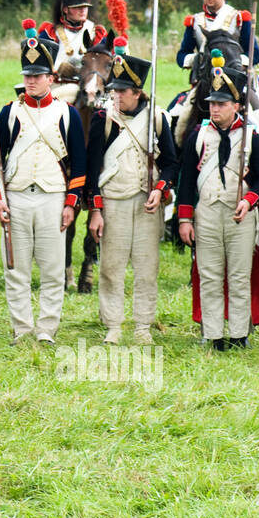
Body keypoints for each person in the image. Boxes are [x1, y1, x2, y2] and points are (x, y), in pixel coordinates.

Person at [0, 24, 86, 343]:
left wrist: (71, 203)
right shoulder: (8, 114)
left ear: (51, 77)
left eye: (38, 74)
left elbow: (79, 165)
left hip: (53, 198)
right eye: (28, 74)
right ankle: (22, 328)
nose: (31, 80)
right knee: (16, 269)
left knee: (53, 269)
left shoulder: (67, 114)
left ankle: (46, 329)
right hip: (15, 197)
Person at [85, 39, 177, 345]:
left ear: (137, 92)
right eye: (114, 89)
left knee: (146, 267)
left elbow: (172, 164)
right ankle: (113, 324)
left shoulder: (158, 119)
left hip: (146, 203)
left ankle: (142, 326)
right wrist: (95, 210)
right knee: (111, 266)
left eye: (122, 90)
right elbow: (92, 169)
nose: (116, 95)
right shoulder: (103, 120)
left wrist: (161, 189)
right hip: (113, 201)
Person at [176, 61, 259, 350]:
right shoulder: (198, 136)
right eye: (212, 103)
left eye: (222, 103)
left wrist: (250, 199)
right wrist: (184, 219)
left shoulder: (251, 137)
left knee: (239, 276)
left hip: (239, 215)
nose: (215, 109)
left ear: (236, 105)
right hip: (207, 213)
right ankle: (214, 333)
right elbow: (187, 181)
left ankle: (240, 333)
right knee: (210, 275)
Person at [176, 0, 259, 72]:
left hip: (236, 76)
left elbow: (255, 55)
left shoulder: (239, 18)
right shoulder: (194, 21)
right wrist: (197, 59)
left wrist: (235, 61)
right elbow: (182, 55)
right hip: (204, 76)